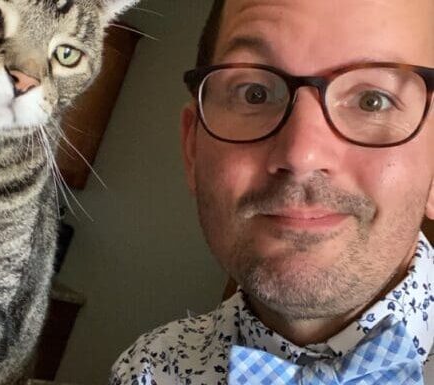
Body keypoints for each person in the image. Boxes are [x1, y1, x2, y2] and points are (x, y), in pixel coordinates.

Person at [110, 0, 434, 383]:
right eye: (254, 94)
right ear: (192, 149)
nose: (301, 154)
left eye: (372, 101)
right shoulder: (148, 370)